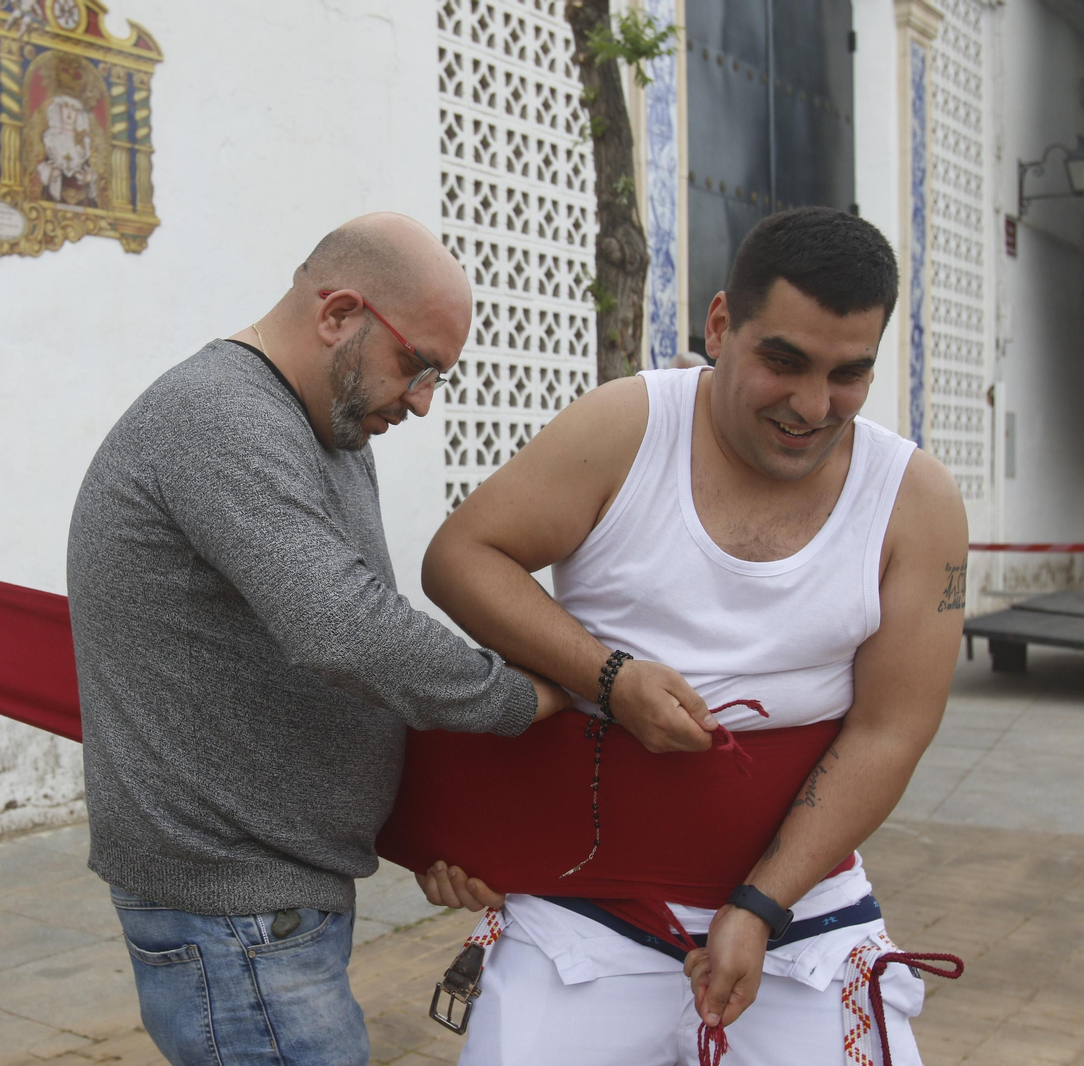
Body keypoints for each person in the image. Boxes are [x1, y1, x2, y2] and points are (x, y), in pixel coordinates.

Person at [414, 207, 967, 1064]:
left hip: (805, 913)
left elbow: (891, 730)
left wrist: (761, 905)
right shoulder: (628, 428)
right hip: (585, 899)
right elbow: (461, 558)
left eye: (848, 374)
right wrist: (610, 677)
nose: (813, 406)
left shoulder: (916, 501)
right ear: (720, 326)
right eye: (784, 362)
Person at [67, 213, 564, 1065]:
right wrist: (532, 694)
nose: (422, 401)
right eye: (418, 365)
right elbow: (347, 632)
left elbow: (354, 650)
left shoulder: (324, 423)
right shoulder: (220, 417)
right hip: (234, 912)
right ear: (337, 313)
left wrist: (430, 823)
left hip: (275, 899)